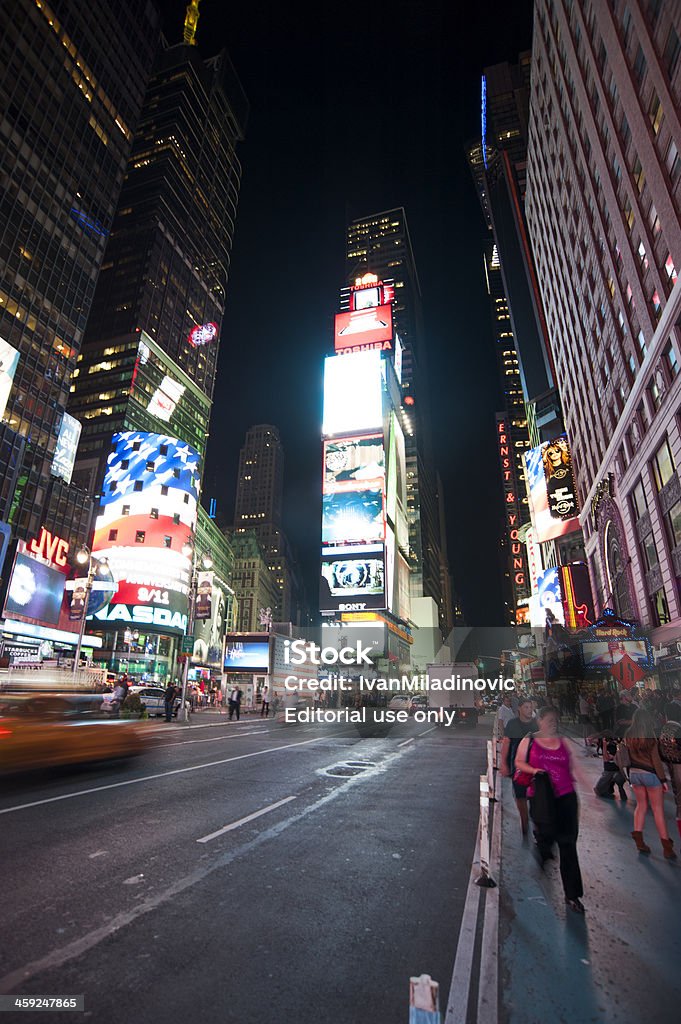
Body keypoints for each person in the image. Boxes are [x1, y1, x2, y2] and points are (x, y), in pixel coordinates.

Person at [515, 706, 585, 913]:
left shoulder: (563, 742)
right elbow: (519, 762)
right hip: (542, 797)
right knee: (546, 834)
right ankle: (544, 850)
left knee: (568, 844)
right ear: (540, 721)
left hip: (566, 797)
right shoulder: (530, 740)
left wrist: (589, 787)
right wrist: (535, 770)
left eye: (556, 720)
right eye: (549, 720)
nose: (553, 724)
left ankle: (572, 895)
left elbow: (575, 768)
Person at [624, 708, 676, 859]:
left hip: (634, 774)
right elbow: (656, 762)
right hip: (651, 775)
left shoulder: (628, 734)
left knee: (641, 806)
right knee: (658, 810)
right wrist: (663, 780)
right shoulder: (651, 736)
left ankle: (639, 841)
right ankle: (667, 847)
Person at [500, 697, 537, 836]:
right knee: (520, 797)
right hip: (517, 767)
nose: (529, 710)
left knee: (535, 796)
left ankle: (534, 817)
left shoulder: (536, 724)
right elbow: (506, 743)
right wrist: (503, 764)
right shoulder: (512, 724)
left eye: (531, 707)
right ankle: (524, 818)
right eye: (526, 707)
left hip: (534, 766)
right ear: (519, 709)